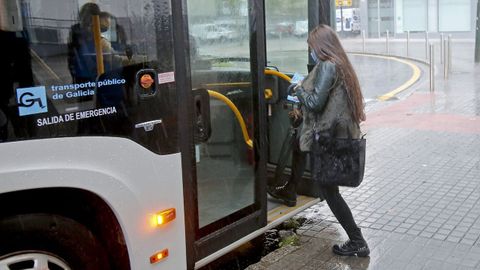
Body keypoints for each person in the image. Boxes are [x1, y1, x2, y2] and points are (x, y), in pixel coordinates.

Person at [267, 24, 369, 257]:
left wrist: (298, 89)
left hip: (326, 139)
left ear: (320, 47)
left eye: (312, 47)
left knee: (330, 192)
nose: (311, 52)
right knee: (329, 190)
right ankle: (356, 239)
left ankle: (357, 240)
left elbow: (314, 103)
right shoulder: (340, 65)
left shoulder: (327, 66)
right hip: (335, 136)